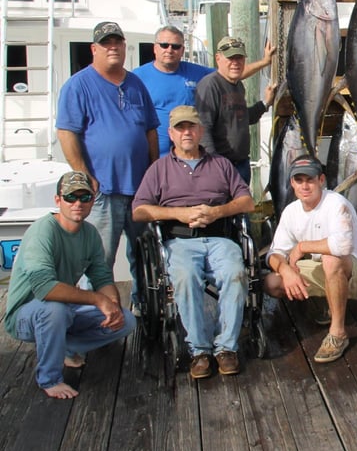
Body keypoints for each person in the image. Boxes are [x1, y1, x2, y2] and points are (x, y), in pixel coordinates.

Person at [132, 106, 255, 379]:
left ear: (200, 131)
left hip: (220, 236)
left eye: (191, 127)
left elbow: (247, 201)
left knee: (235, 274)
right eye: (180, 128)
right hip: (180, 240)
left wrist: (216, 212)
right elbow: (139, 210)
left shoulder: (221, 164)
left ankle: (226, 348)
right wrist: (179, 213)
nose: (186, 133)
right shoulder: (159, 169)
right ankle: (199, 350)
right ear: (171, 134)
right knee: (185, 278)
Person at [4, 171, 136, 399]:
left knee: (127, 321)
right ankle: (49, 378)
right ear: (58, 200)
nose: (78, 203)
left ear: (92, 201)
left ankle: (64, 347)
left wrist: (112, 305)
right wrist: (98, 299)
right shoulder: (42, 231)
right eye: (70, 197)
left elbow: (102, 277)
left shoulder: (90, 234)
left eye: (85, 198)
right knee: (54, 310)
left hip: (65, 309)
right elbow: (45, 289)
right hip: (27, 315)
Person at [56, 21, 159, 309]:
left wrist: (154, 171)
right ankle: (95, 313)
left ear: (125, 46)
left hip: (140, 190)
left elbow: (150, 129)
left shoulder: (136, 83)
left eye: (117, 42)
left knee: (145, 255)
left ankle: (144, 305)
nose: (112, 47)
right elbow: (66, 132)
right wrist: (85, 175)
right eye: (106, 43)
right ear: (94, 49)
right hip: (103, 192)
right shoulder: (78, 85)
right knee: (100, 260)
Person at [264, 154, 357, 363]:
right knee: (272, 283)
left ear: (321, 180)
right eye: (299, 180)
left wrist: (302, 246)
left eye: (310, 179)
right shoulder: (291, 211)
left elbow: (342, 246)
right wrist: (285, 270)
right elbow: (274, 252)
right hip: (327, 270)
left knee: (331, 260)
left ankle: (338, 334)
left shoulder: (336, 203)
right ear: (291, 183)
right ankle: (331, 303)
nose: (304, 186)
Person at [133, 25, 277, 157]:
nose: (169, 50)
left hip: (192, 155)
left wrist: (264, 62)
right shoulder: (138, 77)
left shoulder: (196, 72)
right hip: (159, 157)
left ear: (183, 50)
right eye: (164, 45)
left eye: (176, 46)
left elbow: (230, 72)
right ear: (155, 48)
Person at [195, 36, 277, 184]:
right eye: (230, 58)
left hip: (241, 164)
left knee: (242, 206)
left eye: (239, 58)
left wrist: (266, 103)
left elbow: (244, 117)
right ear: (218, 58)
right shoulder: (210, 85)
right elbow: (203, 128)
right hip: (222, 166)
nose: (235, 63)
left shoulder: (238, 85)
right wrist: (213, 166)